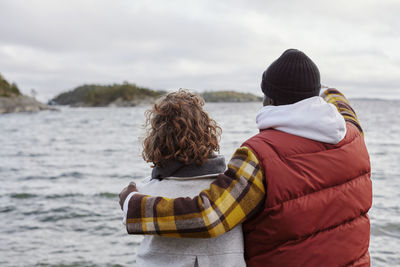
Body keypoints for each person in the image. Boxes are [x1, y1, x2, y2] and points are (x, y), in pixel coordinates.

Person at [120, 49, 372, 266]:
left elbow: (207, 217)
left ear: (270, 99)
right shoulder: (352, 134)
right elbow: (341, 103)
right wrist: (316, 87)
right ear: (313, 95)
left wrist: (133, 205)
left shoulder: (260, 154)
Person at [129, 90, 246, 266]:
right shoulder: (230, 190)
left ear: (155, 138)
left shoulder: (143, 192)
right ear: (207, 131)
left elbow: (128, 217)